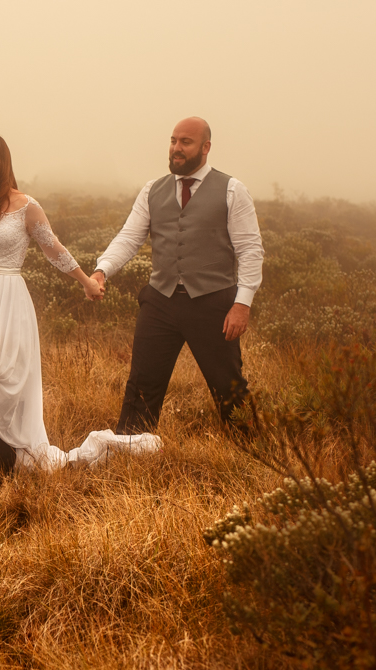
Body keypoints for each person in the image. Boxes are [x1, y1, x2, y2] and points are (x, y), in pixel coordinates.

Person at [0, 134, 150, 472]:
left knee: (7, 381)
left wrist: (87, 282)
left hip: (9, 301)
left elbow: (55, 250)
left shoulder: (27, 207)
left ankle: (4, 464)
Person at [92, 117, 264, 435]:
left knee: (229, 387)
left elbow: (250, 250)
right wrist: (102, 270)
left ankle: (250, 453)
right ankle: (131, 449)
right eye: (173, 141)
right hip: (161, 301)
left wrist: (242, 304)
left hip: (214, 303)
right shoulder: (152, 190)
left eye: (185, 142)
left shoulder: (232, 190)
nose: (176, 149)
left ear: (206, 147)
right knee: (142, 383)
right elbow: (129, 238)